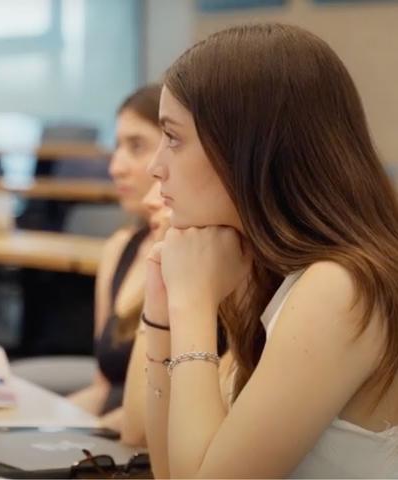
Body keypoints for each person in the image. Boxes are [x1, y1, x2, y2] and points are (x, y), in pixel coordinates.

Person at [143, 23, 398, 478]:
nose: (155, 166)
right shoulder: (267, 271)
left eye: (174, 138)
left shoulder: (339, 286)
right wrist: (162, 313)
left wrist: (192, 304)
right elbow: (169, 470)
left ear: (247, 148)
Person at [69, 85, 170, 429]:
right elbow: (103, 389)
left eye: (136, 146)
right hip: (108, 436)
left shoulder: (208, 259)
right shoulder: (119, 248)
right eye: (117, 147)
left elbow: (142, 424)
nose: (116, 167)